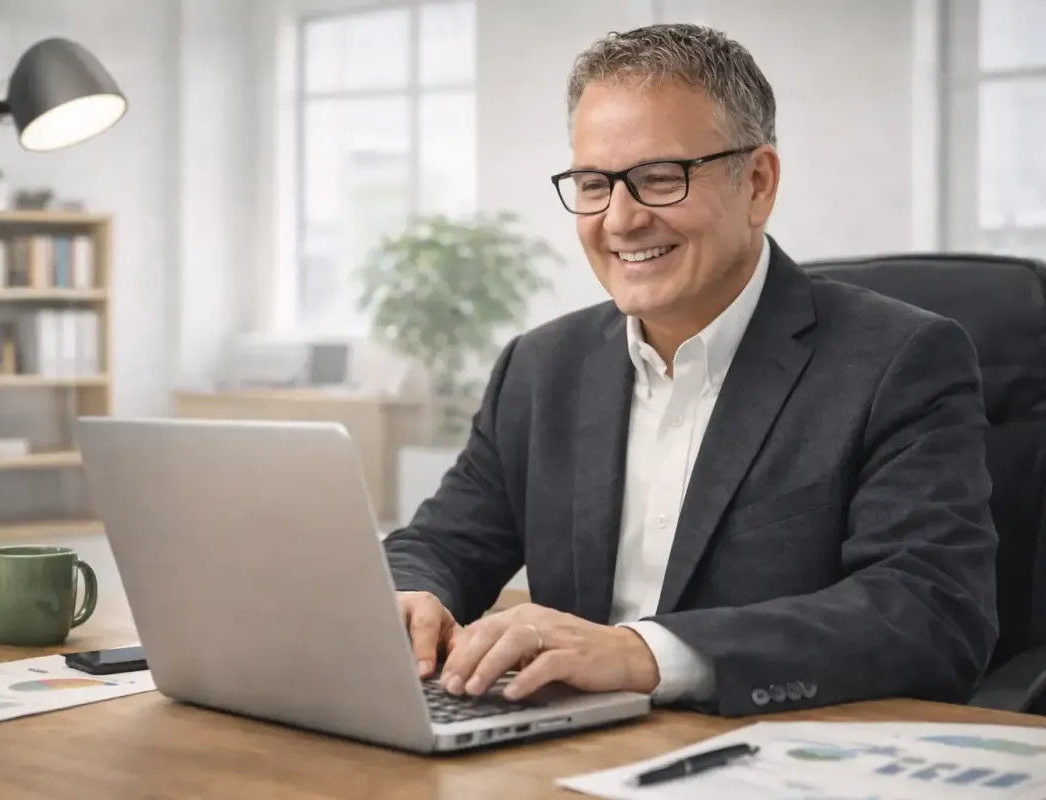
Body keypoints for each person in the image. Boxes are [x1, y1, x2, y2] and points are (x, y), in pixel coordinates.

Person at [381, 23, 999, 717]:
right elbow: (441, 542)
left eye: (657, 179)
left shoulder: (899, 361)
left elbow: (930, 611)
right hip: (560, 751)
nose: (619, 219)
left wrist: (647, 654)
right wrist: (415, 597)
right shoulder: (539, 367)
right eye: (593, 183)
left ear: (758, 184)